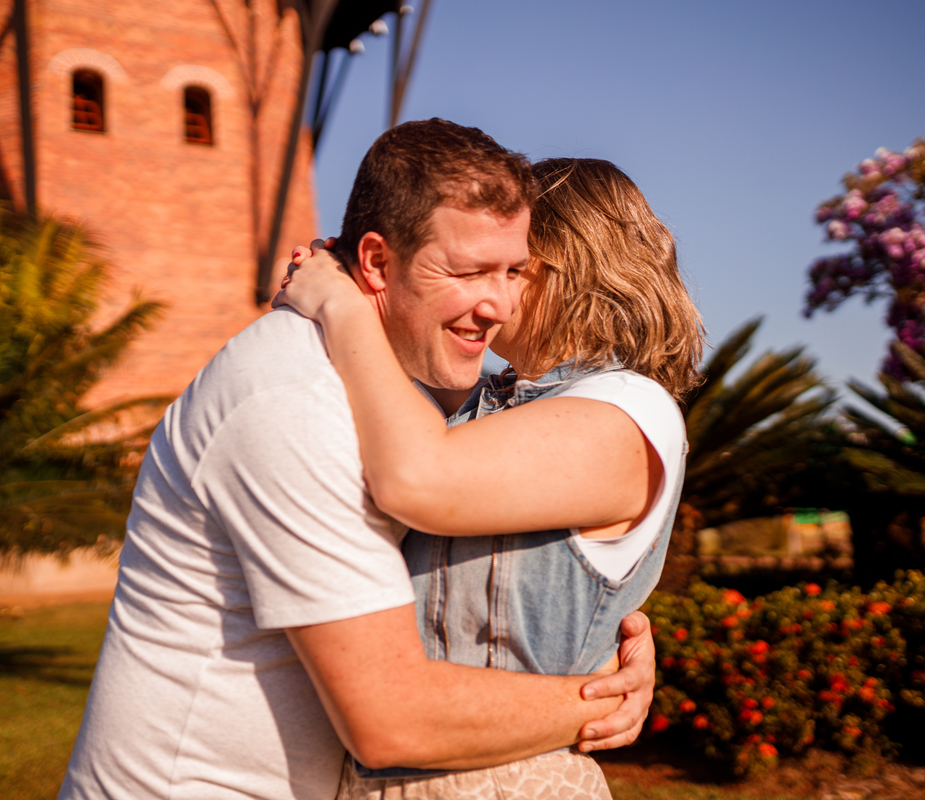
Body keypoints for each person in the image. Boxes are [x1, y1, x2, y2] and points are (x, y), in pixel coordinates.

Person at [56, 121, 656, 800]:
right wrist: (604, 697)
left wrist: (603, 625)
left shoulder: (388, 389)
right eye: (467, 272)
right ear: (375, 262)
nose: (498, 305)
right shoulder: (295, 398)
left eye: (514, 271)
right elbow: (392, 719)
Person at [275, 157, 704, 799]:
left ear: (570, 268)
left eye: (510, 268)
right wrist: (369, 285)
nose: (487, 292)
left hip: (505, 781)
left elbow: (420, 480)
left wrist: (341, 307)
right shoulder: (486, 402)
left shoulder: (630, 410)